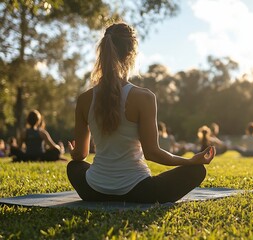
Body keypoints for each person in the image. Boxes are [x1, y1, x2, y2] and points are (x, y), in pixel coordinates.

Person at [67, 23, 215, 204]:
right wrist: (190, 161)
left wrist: (73, 152)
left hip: (94, 190)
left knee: (74, 167)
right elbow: (152, 153)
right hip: (140, 192)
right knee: (197, 171)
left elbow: (80, 155)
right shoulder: (144, 97)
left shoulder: (84, 99)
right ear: (131, 54)